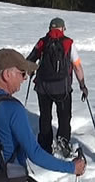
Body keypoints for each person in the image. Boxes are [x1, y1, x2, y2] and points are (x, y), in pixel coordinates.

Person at [0, 48, 86, 182]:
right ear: (6, 75)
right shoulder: (13, 108)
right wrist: (72, 167)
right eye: (22, 73)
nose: (24, 79)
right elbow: (35, 154)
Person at [25, 17, 88, 157]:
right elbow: (77, 66)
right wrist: (82, 85)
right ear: (62, 28)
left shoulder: (42, 42)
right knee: (64, 117)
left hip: (43, 88)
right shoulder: (68, 43)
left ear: (50, 28)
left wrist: (29, 72)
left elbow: (29, 61)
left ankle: (44, 146)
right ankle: (63, 144)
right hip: (63, 88)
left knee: (45, 117)